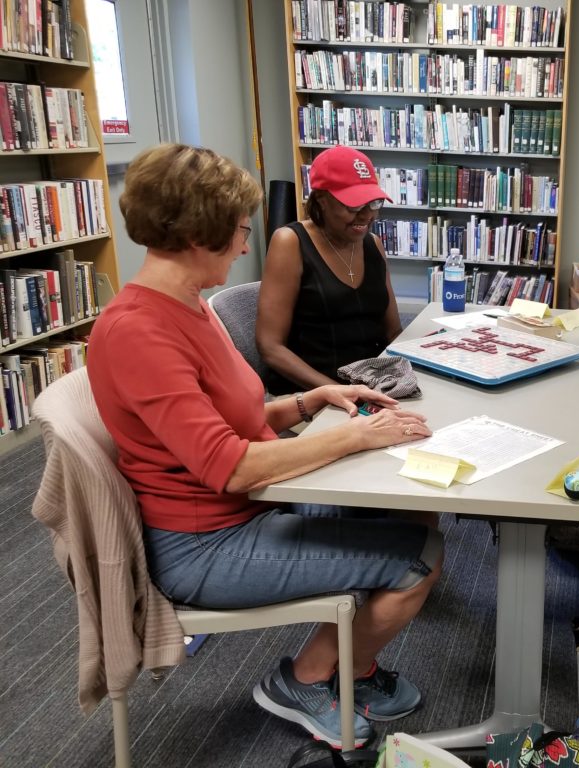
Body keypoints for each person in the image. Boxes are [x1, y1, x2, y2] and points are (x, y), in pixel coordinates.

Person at [87, 143, 442, 748]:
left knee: (392, 516)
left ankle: (350, 668)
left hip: (245, 511)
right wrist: (354, 435)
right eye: (237, 230)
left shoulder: (188, 305)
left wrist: (312, 401)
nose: (247, 244)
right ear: (198, 232)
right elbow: (229, 466)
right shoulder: (139, 331)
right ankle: (302, 680)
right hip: (203, 545)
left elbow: (233, 415)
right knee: (418, 556)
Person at [257, 145, 403, 396]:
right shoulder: (290, 242)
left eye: (373, 203)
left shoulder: (373, 245)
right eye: (354, 206)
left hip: (371, 384)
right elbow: (270, 347)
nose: (367, 215)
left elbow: (392, 331)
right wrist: (338, 392)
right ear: (321, 201)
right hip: (310, 392)